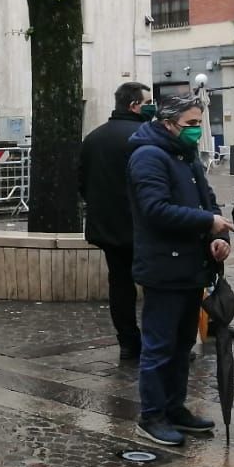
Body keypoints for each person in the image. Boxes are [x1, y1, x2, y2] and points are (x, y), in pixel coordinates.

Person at [126, 93, 231, 446]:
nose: (196, 130)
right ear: (168, 123)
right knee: (160, 346)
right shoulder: (148, 157)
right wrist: (208, 221)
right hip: (163, 268)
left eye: (199, 123)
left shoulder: (186, 156)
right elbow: (155, 209)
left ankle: (174, 407)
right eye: (190, 124)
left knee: (184, 342)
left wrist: (215, 237)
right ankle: (151, 415)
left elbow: (208, 199)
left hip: (192, 265)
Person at [79, 82, 152, 363]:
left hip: (107, 226)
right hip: (143, 226)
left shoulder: (93, 138)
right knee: (154, 285)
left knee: (119, 284)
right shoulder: (145, 136)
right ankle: (158, 340)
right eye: (148, 102)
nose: (152, 107)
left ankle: (127, 342)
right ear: (135, 105)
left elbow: (82, 183)